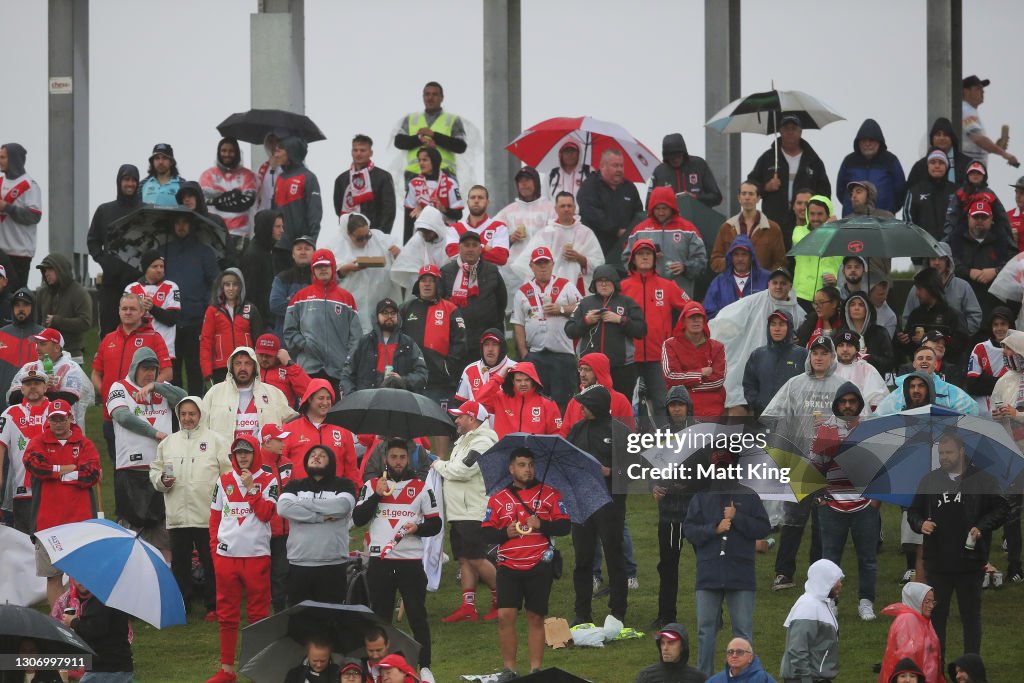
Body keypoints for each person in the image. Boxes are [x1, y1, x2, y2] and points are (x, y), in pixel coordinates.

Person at [907, 431, 1008, 659]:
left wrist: (981, 526)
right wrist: (921, 523)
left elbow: (1001, 509)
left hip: (970, 563)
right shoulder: (930, 480)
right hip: (938, 562)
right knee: (937, 617)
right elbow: (913, 511)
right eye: (941, 453)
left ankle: (970, 666)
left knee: (970, 617)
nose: (944, 457)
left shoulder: (983, 479)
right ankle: (936, 666)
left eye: (949, 452)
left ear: (962, 452)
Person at [762, 336, 849, 592]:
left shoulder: (842, 386)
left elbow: (854, 419)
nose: (819, 357)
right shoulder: (794, 385)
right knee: (793, 520)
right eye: (815, 353)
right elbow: (772, 416)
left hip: (829, 465)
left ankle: (818, 576)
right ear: (809, 357)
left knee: (823, 522)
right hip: (799, 461)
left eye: (824, 353)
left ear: (832, 357)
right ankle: (783, 572)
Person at [353, 438, 441, 683]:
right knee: (380, 617)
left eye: (402, 457)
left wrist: (417, 528)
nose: (398, 462)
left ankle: (425, 667)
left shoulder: (421, 486)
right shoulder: (372, 485)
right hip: (380, 561)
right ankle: (380, 667)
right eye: (394, 457)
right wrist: (376, 496)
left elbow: (436, 524)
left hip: (410, 562)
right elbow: (358, 519)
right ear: (386, 459)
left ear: (408, 459)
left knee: (416, 614)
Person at [480, 447, 571, 682]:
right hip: (508, 566)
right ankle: (509, 669)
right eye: (522, 465)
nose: (527, 469)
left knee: (536, 617)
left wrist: (542, 525)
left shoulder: (550, 494)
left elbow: (564, 526)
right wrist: (505, 533)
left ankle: (535, 670)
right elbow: (486, 533)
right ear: (511, 469)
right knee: (505, 616)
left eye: (530, 464)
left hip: (540, 565)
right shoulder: (499, 498)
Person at [684, 453, 771, 677]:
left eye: (726, 466)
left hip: (740, 574)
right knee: (705, 631)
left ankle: (745, 678)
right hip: (708, 573)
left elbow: (763, 528)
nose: (721, 470)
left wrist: (737, 517)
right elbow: (690, 531)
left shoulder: (749, 497)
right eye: (717, 466)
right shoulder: (701, 497)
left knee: (742, 632)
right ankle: (705, 677)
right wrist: (715, 528)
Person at [150, 395, 230, 621]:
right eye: (183, 414)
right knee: (180, 564)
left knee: (211, 562)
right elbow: (155, 472)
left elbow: (227, 475)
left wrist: (222, 505)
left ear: (201, 414)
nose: (187, 418)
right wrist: (161, 481)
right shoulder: (168, 443)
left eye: (192, 414)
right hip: (177, 515)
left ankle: (214, 606)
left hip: (207, 514)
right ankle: (182, 606)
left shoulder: (216, 441)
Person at [207, 435, 279, 683]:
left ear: (255, 453)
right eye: (239, 453)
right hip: (226, 558)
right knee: (226, 615)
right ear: (233, 455)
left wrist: (251, 488)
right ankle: (227, 670)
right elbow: (215, 519)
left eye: (247, 452)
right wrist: (216, 552)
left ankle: (258, 670)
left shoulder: (269, 480)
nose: (243, 457)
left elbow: (267, 514)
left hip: (257, 556)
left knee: (258, 614)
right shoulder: (224, 480)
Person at [810, 383, 881, 623]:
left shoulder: (869, 429)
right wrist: (820, 498)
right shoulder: (825, 430)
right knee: (830, 558)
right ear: (837, 404)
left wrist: (875, 500)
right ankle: (831, 602)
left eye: (852, 401)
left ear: (859, 404)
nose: (848, 406)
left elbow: (880, 468)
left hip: (864, 504)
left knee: (868, 557)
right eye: (844, 402)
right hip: (832, 505)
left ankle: (866, 602)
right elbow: (813, 467)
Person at [107, 348, 185, 556]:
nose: (149, 373)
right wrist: (155, 433)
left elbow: (185, 399)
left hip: (165, 467)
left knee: (166, 536)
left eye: (153, 369)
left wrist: (156, 386)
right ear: (135, 368)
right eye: (145, 368)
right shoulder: (119, 387)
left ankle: (167, 580)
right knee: (131, 538)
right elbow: (122, 416)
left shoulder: (163, 388)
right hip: (131, 470)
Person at [23, 399, 100, 606]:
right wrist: (66, 469)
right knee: (53, 576)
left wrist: (59, 474)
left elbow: (91, 474)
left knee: (83, 575)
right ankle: (59, 623)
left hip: (81, 523)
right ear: (48, 420)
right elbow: (35, 466)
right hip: (48, 525)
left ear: (70, 418)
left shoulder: (84, 443)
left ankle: (84, 618)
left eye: (62, 419)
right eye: (54, 419)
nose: (58, 423)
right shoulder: (38, 441)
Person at [431, 400, 499, 622]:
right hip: (460, 510)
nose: (456, 420)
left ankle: (504, 600)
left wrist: (437, 463)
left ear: (472, 418)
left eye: (460, 416)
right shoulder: (464, 441)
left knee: (477, 558)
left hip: (473, 510)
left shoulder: (483, 442)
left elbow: (461, 471)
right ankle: (468, 607)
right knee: (464, 559)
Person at [566, 386, 628, 626]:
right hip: (582, 502)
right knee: (582, 558)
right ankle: (582, 613)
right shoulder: (577, 429)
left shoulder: (618, 431)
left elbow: (634, 469)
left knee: (614, 555)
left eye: (585, 404)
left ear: (598, 405)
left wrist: (610, 471)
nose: (581, 408)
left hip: (609, 504)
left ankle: (618, 611)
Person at [712, 268, 807, 416]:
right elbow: (725, 320)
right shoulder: (753, 302)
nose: (778, 286)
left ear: (790, 286)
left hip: (781, 374)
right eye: (774, 282)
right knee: (738, 411)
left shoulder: (798, 312)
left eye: (783, 283)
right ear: (768, 284)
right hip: (750, 364)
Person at [92, 294, 172, 463]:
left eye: (133, 309)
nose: (128, 312)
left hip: (142, 414)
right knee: (117, 466)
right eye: (124, 309)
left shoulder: (154, 337)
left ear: (142, 311)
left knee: (146, 466)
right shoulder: (108, 339)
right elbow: (96, 373)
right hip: (111, 414)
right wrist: (106, 393)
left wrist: (150, 390)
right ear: (119, 311)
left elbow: (167, 373)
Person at [277, 444, 357, 604]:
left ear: (331, 461)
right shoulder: (294, 485)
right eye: (313, 454)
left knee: (330, 618)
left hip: (333, 563)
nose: (316, 457)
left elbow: (341, 507)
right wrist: (321, 516)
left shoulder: (344, 485)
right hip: (299, 563)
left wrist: (301, 502)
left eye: (322, 455)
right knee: (300, 619)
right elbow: (283, 508)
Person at [621, 239, 690, 414]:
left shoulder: (667, 286)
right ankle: (629, 440)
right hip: (629, 357)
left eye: (648, 254)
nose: (644, 257)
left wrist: (677, 338)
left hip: (659, 356)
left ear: (654, 258)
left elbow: (692, 309)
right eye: (640, 254)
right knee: (628, 403)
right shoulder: (622, 288)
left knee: (662, 402)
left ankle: (664, 441)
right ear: (633, 259)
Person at [510, 247, 582, 410]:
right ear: (531, 266)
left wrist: (561, 309)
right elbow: (518, 323)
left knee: (564, 402)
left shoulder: (566, 285)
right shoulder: (523, 291)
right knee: (536, 401)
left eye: (546, 263)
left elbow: (582, 307)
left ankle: (564, 433)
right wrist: (524, 353)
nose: (542, 267)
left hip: (562, 353)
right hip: (535, 355)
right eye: (538, 263)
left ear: (552, 264)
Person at [284, 248, 363, 394]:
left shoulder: (346, 298)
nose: (322, 270)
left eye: (326, 266)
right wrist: (304, 344)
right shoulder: (300, 297)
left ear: (333, 267)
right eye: (318, 266)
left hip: (338, 370)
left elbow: (356, 337)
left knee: (336, 415)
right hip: (309, 369)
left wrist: (348, 362)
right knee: (309, 414)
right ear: (313, 270)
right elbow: (289, 331)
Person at [647, 385, 693, 632]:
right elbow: (651, 467)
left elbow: (709, 469)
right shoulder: (661, 434)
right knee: (667, 565)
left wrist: (690, 484)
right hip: (669, 511)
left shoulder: (699, 433)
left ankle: (714, 612)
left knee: (706, 561)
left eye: (680, 404)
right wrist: (654, 486)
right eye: (673, 405)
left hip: (695, 510)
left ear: (688, 407)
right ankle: (666, 614)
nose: (676, 409)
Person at [564, 264, 647, 398]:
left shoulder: (627, 303)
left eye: (607, 281)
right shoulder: (584, 303)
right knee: (589, 407)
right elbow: (569, 330)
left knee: (620, 410)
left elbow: (641, 330)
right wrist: (586, 321)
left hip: (621, 368)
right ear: (594, 284)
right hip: (589, 370)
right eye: (600, 281)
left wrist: (620, 320)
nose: (603, 284)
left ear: (614, 283)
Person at [164, 211, 220, 396]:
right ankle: (176, 413)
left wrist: (203, 307)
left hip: (196, 320)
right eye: (177, 222)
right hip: (169, 321)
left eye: (185, 222)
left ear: (192, 225)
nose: (181, 226)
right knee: (173, 369)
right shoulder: (164, 251)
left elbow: (215, 282)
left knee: (195, 369)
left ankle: (197, 407)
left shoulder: (204, 251)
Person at [319, 212, 403, 334]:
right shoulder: (334, 246)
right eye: (359, 238)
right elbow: (325, 276)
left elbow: (402, 253)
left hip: (380, 302)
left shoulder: (379, 238)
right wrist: (346, 268)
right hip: (350, 306)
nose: (365, 241)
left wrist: (397, 252)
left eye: (367, 236)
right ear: (348, 235)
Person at [399, 264, 466, 412]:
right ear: (418, 284)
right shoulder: (406, 308)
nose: (427, 284)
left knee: (440, 429)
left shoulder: (451, 309)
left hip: (440, 383)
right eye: (423, 280)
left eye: (431, 280)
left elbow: (460, 343)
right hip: (411, 379)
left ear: (438, 284)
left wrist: (447, 368)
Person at [746, 113, 831, 227]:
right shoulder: (768, 158)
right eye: (786, 128)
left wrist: (814, 206)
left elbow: (825, 192)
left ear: (800, 131)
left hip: (805, 223)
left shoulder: (813, 160)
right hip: (773, 222)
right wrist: (766, 187)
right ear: (780, 131)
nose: (790, 132)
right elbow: (751, 185)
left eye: (794, 128)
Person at [513, 191, 604, 295]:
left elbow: (599, 264)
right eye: (562, 206)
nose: (566, 209)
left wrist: (579, 258)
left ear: (574, 208)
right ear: (556, 209)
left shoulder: (586, 233)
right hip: (550, 288)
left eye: (569, 206)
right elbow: (528, 262)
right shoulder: (545, 233)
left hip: (579, 287)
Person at [201, 346, 297, 444]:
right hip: (224, 457)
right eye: (238, 363)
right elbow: (200, 427)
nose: (243, 368)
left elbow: (293, 422)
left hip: (263, 457)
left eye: (248, 363)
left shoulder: (273, 393)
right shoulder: (215, 393)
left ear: (255, 366)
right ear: (231, 366)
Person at [88, 164, 142, 336]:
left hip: (138, 282)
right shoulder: (105, 211)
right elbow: (93, 240)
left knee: (137, 331)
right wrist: (103, 259)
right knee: (109, 331)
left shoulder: (145, 211)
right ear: (119, 182)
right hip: (111, 282)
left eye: (134, 180)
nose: (130, 184)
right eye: (126, 179)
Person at [622, 187, 705, 297]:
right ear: (652, 208)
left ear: (672, 207)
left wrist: (685, 267)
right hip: (647, 294)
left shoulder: (688, 229)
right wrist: (644, 260)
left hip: (680, 295)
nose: (661, 212)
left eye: (664, 208)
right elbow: (626, 259)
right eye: (657, 208)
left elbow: (701, 260)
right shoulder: (639, 230)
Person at [440, 231, 506, 363]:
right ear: (459, 248)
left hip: (484, 340)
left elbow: (501, 302)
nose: (470, 249)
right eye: (466, 245)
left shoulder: (491, 270)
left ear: (480, 249)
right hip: (455, 340)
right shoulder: (446, 272)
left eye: (475, 245)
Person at [9, 326, 93, 430]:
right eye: (37, 343)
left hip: (61, 428)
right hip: (29, 427)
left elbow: (69, 399)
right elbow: (13, 398)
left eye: (43, 344)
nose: (37, 347)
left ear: (57, 348)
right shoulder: (28, 367)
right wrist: (42, 389)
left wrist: (33, 391)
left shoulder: (71, 368)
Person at [278, 379, 358, 486]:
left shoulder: (342, 429)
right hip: (299, 495)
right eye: (321, 398)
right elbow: (280, 463)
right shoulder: (289, 428)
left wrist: (356, 494)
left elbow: (351, 468)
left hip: (334, 495)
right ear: (309, 399)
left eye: (328, 398)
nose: (325, 403)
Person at [494, 167, 557, 301]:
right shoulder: (508, 211)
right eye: (520, 181)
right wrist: (510, 238)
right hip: (514, 271)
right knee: (517, 308)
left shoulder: (550, 208)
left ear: (536, 183)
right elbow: (492, 236)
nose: (524, 184)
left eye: (527, 180)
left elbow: (557, 237)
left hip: (542, 266)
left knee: (542, 306)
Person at [342, 298, 428, 394]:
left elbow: (422, 375)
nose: (389, 316)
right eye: (385, 313)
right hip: (367, 401)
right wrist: (353, 397)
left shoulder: (408, 344)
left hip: (399, 401)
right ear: (377, 316)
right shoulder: (363, 343)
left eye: (393, 313)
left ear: (397, 316)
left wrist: (402, 380)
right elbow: (347, 374)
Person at [779, 559, 843, 683]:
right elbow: (797, 650)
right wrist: (806, 679)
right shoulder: (808, 606)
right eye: (836, 580)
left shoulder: (819, 604)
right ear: (825, 581)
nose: (840, 584)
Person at [0, 369, 48, 533]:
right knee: (26, 541)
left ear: (45, 387)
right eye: (28, 384)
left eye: (37, 383)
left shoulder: (58, 411)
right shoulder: (10, 413)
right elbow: (0, 445)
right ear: (22, 389)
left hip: (54, 487)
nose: (32, 387)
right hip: (23, 489)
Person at [949, 199, 1009, 329]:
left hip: (994, 302)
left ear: (991, 218)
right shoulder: (956, 238)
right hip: (964, 300)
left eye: (984, 217)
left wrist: (996, 271)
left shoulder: (1001, 238)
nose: (980, 220)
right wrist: (968, 272)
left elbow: (1012, 261)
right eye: (976, 217)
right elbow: (950, 261)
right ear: (969, 218)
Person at [900, 243, 981, 338]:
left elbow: (975, 316)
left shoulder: (963, 287)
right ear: (928, 261)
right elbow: (906, 318)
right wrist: (914, 338)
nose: (937, 262)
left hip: (954, 347)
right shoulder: (916, 289)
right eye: (933, 258)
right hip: (923, 349)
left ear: (948, 261)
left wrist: (958, 336)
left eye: (941, 258)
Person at [895, 268, 970, 370]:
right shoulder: (915, 315)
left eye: (920, 289)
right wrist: (904, 341)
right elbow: (909, 350)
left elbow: (961, 346)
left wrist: (932, 342)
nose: (917, 293)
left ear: (930, 289)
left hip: (946, 372)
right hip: (920, 370)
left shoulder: (952, 315)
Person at [578, 149, 644, 263]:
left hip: (625, 250)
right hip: (596, 249)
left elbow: (638, 214)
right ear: (603, 166)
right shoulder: (589, 186)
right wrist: (616, 230)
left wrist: (631, 233)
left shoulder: (630, 187)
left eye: (621, 166)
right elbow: (592, 214)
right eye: (615, 165)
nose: (619, 169)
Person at [63, 579, 134, 682]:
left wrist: (73, 622)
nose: (80, 582)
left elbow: (92, 630)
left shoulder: (99, 602)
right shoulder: (110, 598)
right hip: (118, 665)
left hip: (106, 668)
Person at [662, 302, 726, 417]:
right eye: (691, 317)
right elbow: (671, 376)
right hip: (681, 407)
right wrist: (700, 373)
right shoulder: (669, 344)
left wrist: (687, 386)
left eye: (699, 317)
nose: (696, 320)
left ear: (704, 320)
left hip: (712, 408)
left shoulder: (718, 347)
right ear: (684, 321)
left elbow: (718, 381)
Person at [394, 81, 467, 178]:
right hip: (415, 174)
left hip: (444, 174)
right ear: (423, 97)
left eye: (435, 94)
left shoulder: (452, 120)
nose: (430, 98)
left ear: (442, 98)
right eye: (427, 94)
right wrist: (419, 139)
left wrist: (434, 135)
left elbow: (460, 146)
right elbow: (399, 142)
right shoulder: (411, 119)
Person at [201, 269, 261, 385]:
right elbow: (206, 341)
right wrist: (206, 370)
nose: (231, 288)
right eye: (227, 285)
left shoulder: (250, 309)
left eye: (235, 284)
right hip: (221, 366)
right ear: (221, 287)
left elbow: (258, 339)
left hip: (246, 364)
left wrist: (258, 364)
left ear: (241, 287)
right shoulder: (213, 310)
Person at [271, 136, 323, 272]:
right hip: (279, 247)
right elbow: (273, 211)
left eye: (279, 150)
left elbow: (315, 212)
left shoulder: (308, 177)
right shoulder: (280, 178)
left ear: (291, 152)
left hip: (300, 248)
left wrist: (311, 242)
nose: (275, 155)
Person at [873, 349, 978, 416]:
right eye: (920, 358)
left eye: (929, 358)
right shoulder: (898, 393)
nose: (924, 361)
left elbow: (973, 411)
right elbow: (879, 416)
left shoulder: (949, 390)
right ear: (914, 364)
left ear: (936, 364)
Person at [835, 119, 907, 216]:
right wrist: (855, 208)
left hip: (883, 221)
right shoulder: (849, 161)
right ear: (858, 142)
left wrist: (889, 210)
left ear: (879, 142)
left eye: (871, 140)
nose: (867, 144)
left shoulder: (891, 161)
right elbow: (840, 191)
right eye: (864, 140)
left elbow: (901, 191)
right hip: (852, 220)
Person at [711, 181, 786, 273]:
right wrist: (732, 262)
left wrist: (766, 278)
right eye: (744, 194)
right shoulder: (727, 227)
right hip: (733, 285)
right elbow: (715, 262)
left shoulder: (773, 229)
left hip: (761, 285)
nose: (747, 197)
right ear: (739, 198)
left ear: (758, 198)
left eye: (751, 194)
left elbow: (781, 262)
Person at [199, 137, 258, 252]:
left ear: (237, 153)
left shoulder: (248, 175)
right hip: (215, 234)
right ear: (218, 152)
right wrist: (235, 196)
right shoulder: (207, 175)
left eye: (231, 151)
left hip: (241, 235)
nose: (227, 154)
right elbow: (205, 200)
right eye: (224, 150)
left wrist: (218, 200)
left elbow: (247, 202)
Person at [475, 362, 562, 438]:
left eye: (527, 380)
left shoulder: (547, 403)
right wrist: (498, 377)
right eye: (518, 380)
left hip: (535, 455)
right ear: (513, 381)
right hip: (504, 452)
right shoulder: (501, 398)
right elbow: (480, 400)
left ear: (533, 380)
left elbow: (557, 433)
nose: (523, 384)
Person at [125, 251, 181, 369]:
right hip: (137, 349)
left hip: (164, 350)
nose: (159, 270)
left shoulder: (172, 287)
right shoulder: (131, 288)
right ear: (146, 268)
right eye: (155, 266)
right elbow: (125, 320)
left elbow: (172, 319)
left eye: (162, 266)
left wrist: (152, 308)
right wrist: (140, 310)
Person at [877, 583, 943, 683]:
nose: (931, 606)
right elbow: (906, 660)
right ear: (915, 600)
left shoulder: (923, 621)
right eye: (927, 602)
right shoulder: (908, 620)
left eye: (932, 602)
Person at [334, 134, 397, 234]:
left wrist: (380, 235)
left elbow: (389, 211)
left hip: (375, 234)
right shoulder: (341, 179)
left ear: (371, 153)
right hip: (350, 235)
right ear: (351, 152)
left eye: (363, 150)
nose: (358, 154)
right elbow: (339, 210)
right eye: (355, 150)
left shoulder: (383, 177)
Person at [561, 353, 636, 436]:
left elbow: (629, 436)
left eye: (587, 370)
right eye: (580, 369)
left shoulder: (620, 401)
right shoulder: (574, 402)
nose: (582, 374)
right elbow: (564, 435)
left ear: (599, 372)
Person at [0, 143, 41, 290]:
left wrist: (7, 207)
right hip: (1, 249)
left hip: (20, 252)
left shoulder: (29, 185)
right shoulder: (0, 182)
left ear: (14, 159)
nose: (0, 160)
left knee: (16, 295)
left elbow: (34, 216)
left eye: (3, 157)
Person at [403, 146, 464, 245]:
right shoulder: (413, 183)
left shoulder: (450, 183)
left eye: (425, 160)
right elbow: (408, 219)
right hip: (422, 238)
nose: (421, 163)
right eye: (419, 160)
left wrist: (443, 209)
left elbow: (459, 215)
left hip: (446, 238)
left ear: (434, 161)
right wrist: (406, 244)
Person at [648, 132, 722, 208]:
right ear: (666, 158)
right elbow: (649, 204)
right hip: (670, 218)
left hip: (698, 217)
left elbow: (717, 197)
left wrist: (695, 198)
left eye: (679, 156)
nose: (676, 160)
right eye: (672, 158)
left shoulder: (699, 165)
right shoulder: (659, 172)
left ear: (684, 154)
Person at [791, 195, 842, 307]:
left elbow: (845, 268)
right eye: (812, 214)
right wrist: (828, 227)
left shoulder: (839, 237)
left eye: (820, 214)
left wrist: (836, 280)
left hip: (828, 296)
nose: (815, 218)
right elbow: (812, 244)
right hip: (801, 296)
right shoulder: (798, 231)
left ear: (828, 215)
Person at [705, 236, 770, 320]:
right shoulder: (719, 282)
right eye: (736, 254)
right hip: (726, 331)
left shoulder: (766, 279)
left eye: (744, 254)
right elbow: (709, 312)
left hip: (757, 331)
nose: (740, 259)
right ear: (730, 257)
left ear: (751, 257)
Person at [444, 185, 510, 265]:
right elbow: (452, 254)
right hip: (462, 276)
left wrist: (465, 249)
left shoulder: (499, 227)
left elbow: (501, 258)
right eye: (472, 197)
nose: (476, 201)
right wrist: (484, 247)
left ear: (487, 202)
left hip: (489, 277)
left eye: (480, 197)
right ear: (468, 202)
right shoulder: (454, 228)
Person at [961, 74, 1018, 167]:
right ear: (966, 91)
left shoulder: (967, 110)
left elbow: (975, 145)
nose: (983, 91)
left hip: (971, 171)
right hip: (966, 171)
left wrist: (995, 147)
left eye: (982, 89)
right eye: (978, 88)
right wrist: (1005, 154)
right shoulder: (965, 110)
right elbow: (978, 139)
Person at [238, 210, 283, 327]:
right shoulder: (254, 255)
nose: (282, 230)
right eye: (278, 227)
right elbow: (250, 294)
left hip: (267, 318)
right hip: (259, 322)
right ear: (267, 227)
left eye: (282, 226)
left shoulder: (267, 249)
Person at [903, 148, 957, 244]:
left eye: (941, 163)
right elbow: (908, 221)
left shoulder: (955, 191)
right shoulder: (915, 190)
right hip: (923, 247)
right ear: (927, 166)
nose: (937, 166)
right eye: (933, 162)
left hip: (951, 247)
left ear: (947, 167)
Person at [0, 289, 42, 411]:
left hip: (36, 403)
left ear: (33, 307)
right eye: (17, 305)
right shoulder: (2, 334)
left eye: (25, 305)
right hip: (4, 405)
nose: (21, 308)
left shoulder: (43, 335)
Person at [390, 207, 450, 292]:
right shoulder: (418, 239)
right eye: (422, 232)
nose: (425, 236)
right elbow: (408, 263)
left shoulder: (450, 239)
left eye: (428, 232)